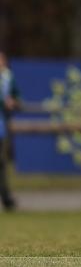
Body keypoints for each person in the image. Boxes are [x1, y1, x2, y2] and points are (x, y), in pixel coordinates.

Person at [0, 51, 20, 211]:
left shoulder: (8, 77)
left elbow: (17, 97)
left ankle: (6, 198)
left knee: (2, 163)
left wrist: (14, 102)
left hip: (2, 126)